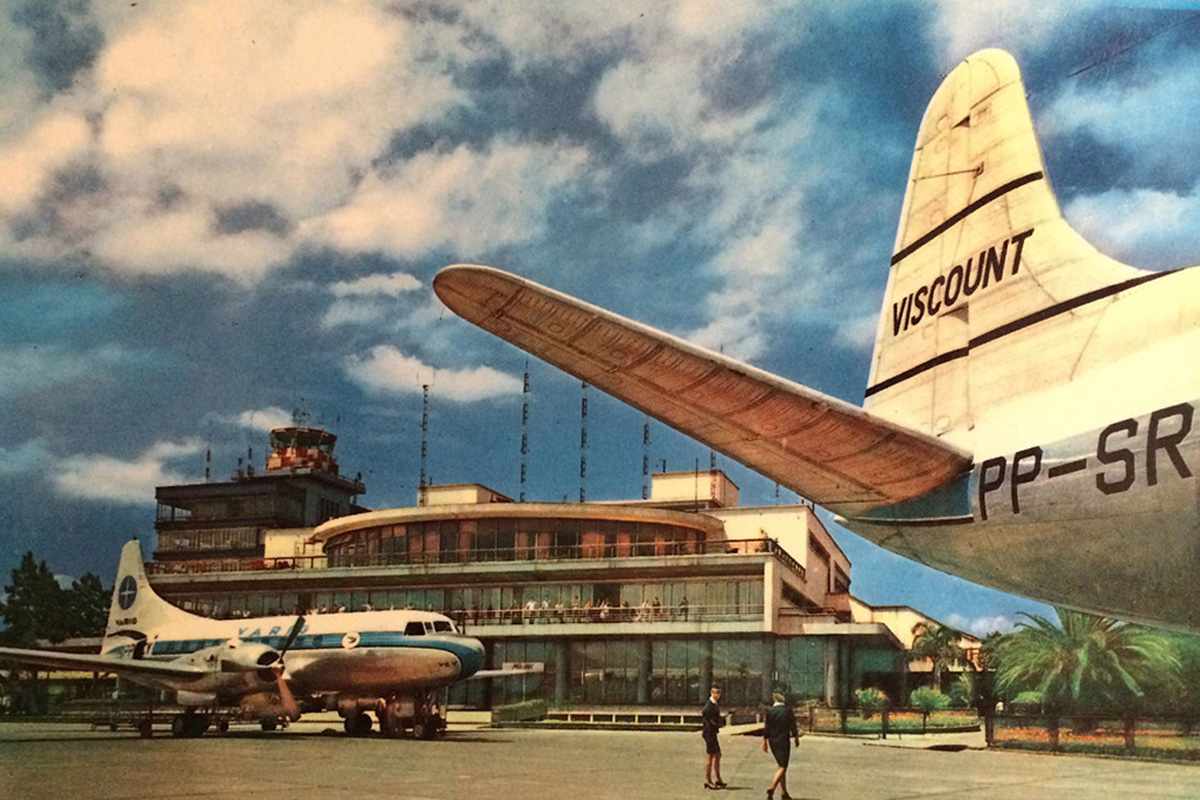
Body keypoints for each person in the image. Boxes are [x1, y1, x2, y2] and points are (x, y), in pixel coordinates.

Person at [761, 692, 800, 800]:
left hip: (773, 741)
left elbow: (766, 728)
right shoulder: (787, 711)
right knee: (783, 766)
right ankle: (772, 788)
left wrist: (764, 742)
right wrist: (796, 738)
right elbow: (793, 725)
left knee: (780, 765)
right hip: (783, 741)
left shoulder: (769, 711)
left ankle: (784, 792)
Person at [702, 685, 726, 790]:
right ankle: (708, 780)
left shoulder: (714, 704)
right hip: (709, 733)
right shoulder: (709, 705)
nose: (717, 695)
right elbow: (706, 716)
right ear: (712, 693)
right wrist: (715, 724)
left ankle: (718, 778)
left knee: (717, 754)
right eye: (716, 693)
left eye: (719, 693)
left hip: (712, 733)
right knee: (710, 756)